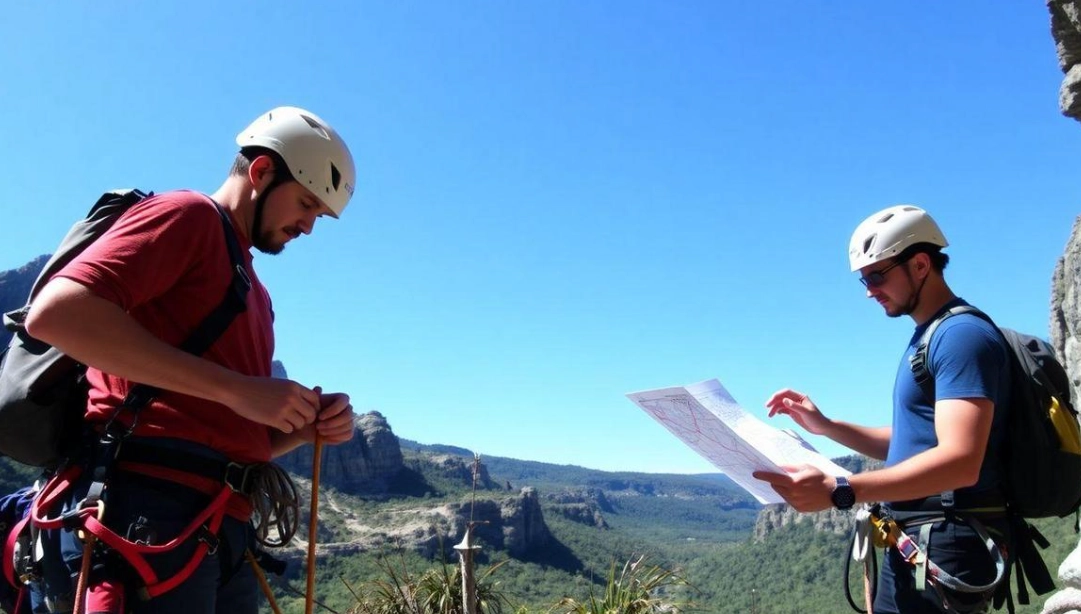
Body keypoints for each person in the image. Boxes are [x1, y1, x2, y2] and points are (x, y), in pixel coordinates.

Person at [22, 106, 360, 613]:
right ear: (262, 172)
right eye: (306, 204)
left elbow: (230, 435)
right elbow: (55, 314)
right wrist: (238, 389)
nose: (309, 227)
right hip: (146, 517)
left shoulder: (256, 292)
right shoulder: (188, 216)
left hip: (216, 527)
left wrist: (308, 426)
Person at [754, 205, 1012, 614]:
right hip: (919, 539)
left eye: (877, 275)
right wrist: (826, 426)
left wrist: (842, 491)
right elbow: (914, 441)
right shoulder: (929, 336)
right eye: (864, 279)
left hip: (946, 540)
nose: (869, 289)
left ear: (921, 264)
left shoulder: (961, 336)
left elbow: (961, 461)